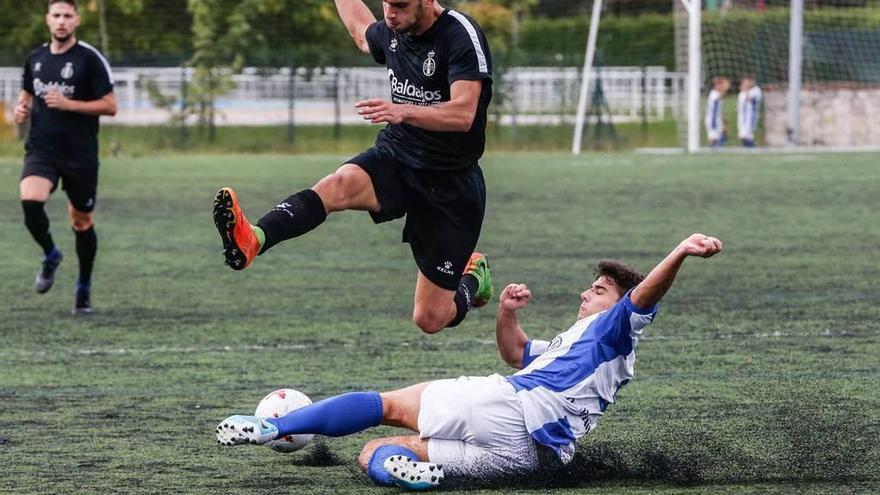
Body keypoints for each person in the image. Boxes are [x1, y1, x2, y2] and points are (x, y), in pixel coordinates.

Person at [215, 233, 724, 490]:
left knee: (390, 404)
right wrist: (505, 312)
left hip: (510, 409)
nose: (585, 294)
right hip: (531, 459)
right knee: (376, 451)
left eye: (597, 290)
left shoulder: (613, 328)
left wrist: (678, 251)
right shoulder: (585, 352)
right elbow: (516, 353)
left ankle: (266, 427)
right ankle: (406, 473)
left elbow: (643, 297)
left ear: (618, 302)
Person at [212, 0, 495, 334]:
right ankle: (254, 238)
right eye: (387, 3)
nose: (390, 14)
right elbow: (361, 32)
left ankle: (473, 276)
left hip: (451, 184)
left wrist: (403, 110)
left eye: (400, 6)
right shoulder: (393, 30)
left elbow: (463, 115)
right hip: (397, 155)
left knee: (429, 318)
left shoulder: (459, 34)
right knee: (339, 185)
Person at [13, 0, 117, 315]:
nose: (61, 21)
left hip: (80, 154)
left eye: (67, 16)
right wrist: (21, 110)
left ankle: (83, 288)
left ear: (76, 20)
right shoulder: (36, 58)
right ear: (47, 19)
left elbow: (111, 106)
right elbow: (26, 95)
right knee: (30, 201)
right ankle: (51, 254)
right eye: (56, 15)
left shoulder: (89, 59)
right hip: (42, 148)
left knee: (81, 222)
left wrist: (70, 104)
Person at [737, 76, 762, 148]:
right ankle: (747, 148)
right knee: (743, 136)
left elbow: (749, 99)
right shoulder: (742, 92)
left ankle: (754, 148)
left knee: (745, 136)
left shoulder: (756, 90)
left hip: (750, 117)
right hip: (742, 117)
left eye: (747, 81)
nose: (745, 83)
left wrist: (745, 90)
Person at [705, 76, 729, 148]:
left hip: (717, 119)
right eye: (721, 84)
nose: (722, 86)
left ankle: (717, 148)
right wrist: (726, 88)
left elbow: (719, 108)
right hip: (713, 120)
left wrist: (723, 118)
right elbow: (719, 97)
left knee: (724, 133)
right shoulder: (714, 93)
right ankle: (712, 150)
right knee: (713, 138)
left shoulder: (717, 93)